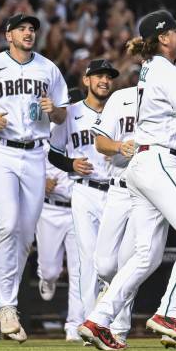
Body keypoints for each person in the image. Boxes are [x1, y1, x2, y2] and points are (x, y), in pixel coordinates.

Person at [78, 10, 176, 351]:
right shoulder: (165, 70)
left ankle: (98, 320)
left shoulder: (153, 69)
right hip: (161, 160)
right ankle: (168, 313)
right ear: (162, 37)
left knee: (146, 255)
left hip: (144, 163)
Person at [0, 13, 69, 339]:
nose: (28, 32)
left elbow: (62, 113)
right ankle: (7, 305)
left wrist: (56, 111)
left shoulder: (48, 68)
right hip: (0, 150)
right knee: (7, 224)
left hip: (36, 152)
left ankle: (1, 303)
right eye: (21, 28)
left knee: (25, 232)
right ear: (8, 34)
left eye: (32, 28)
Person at [48, 58, 118, 318]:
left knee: (114, 260)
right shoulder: (71, 113)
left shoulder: (120, 109)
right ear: (86, 80)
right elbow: (53, 154)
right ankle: (91, 320)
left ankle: (116, 321)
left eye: (109, 77)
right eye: (99, 76)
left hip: (117, 190)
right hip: (85, 191)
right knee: (87, 258)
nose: (104, 81)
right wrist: (70, 164)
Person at [91, 84, 138, 345]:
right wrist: (120, 146)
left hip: (146, 193)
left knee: (128, 262)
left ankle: (119, 328)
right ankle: (109, 295)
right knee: (105, 265)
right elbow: (100, 142)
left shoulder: (169, 94)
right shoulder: (121, 97)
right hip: (118, 189)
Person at [35, 141, 83, 342]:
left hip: (78, 207)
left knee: (79, 269)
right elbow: (26, 167)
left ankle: (74, 324)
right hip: (50, 209)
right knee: (50, 270)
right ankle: (47, 279)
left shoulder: (85, 128)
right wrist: (41, 181)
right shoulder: (47, 134)